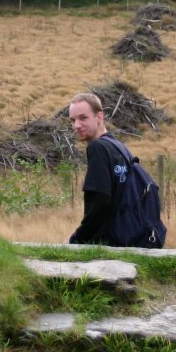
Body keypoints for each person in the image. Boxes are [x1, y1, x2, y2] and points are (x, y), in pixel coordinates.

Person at [66, 92, 129, 245]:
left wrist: (76, 239)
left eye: (83, 118)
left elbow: (100, 202)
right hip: (125, 236)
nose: (76, 126)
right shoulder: (119, 147)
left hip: (108, 242)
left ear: (99, 117)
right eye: (73, 120)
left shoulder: (98, 148)